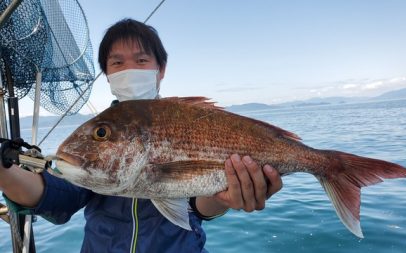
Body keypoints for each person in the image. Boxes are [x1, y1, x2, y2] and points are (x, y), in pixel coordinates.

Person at [0, 19, 282, 253]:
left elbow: (196, 208)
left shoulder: (181, 118)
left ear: (161, 70)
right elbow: (58, 195)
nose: (129, 69)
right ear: (107, 74)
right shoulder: (93, 138)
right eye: (117, 63)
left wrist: (224, 198)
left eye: (142, 60)